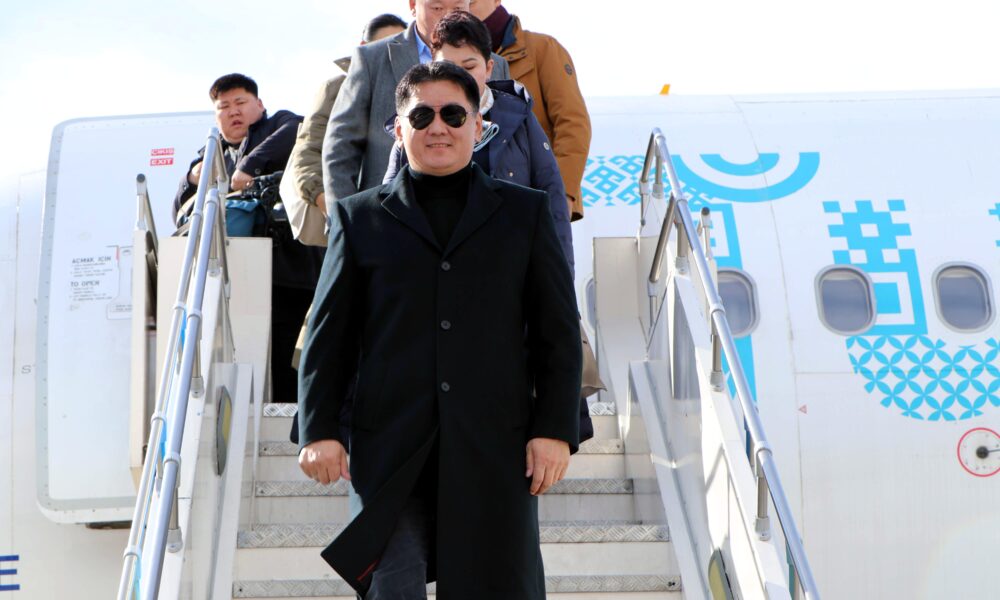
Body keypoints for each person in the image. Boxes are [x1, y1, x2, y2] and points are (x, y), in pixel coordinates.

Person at [298, 61, 581, 599]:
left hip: (494, 448)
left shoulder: (524, 213)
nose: (438, 128)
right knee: (392, 588)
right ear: (397, 129)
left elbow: (557, 332)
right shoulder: (359, 219)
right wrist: (319, 429)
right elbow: (328, 335)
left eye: (453, 114)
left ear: (479, 125)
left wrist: (555, 428)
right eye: (421, 116)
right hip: (391, 451)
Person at [382, 10, 574, 277]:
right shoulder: (414, 128)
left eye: (469, 67)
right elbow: (387, 208)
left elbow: (553, 203)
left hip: (508, 273)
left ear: (489, 68)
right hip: (431, 277)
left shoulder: (521, 120)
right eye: (448, 68)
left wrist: (561, 282)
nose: (459, 77)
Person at [172, 73, 324, 406]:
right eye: (223, 106)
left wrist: (248, 167)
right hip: (238, 282)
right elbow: (181, 212)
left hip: (290, 273)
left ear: (260, 104)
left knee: (291, 354)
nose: (233, 111)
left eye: (240, 102)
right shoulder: (211, 155)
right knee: (252, 354)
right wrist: (192, 177)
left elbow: (297, 129)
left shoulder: (278, 125)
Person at [321, 0, 510, 211]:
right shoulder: (372, 58)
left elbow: (510, 146)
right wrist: (344, 218)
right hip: (386, 213)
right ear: (413, 5)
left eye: (458, 9)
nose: (448, 16)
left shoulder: (492, 64)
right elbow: (341, 144)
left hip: (478, 213)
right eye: (437, 8)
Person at [468, 0, 591, 221]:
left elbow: (573, 124)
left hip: (536, 200)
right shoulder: (443, 56)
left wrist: (562, 195)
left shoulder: (543, 49)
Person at [287, 14, 408, 222]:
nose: (391, 52)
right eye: (384, 44)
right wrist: (333, 207)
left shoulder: (419, 87)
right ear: (364, 46)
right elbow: (309, 149)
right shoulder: (336, 88)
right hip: (357, 213)